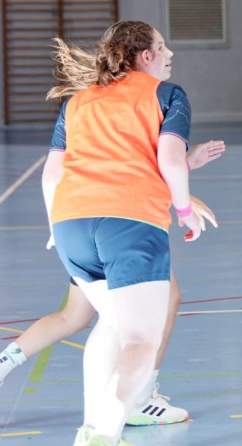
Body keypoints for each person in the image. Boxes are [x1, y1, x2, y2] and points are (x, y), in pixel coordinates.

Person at [19, 22, 214, 446]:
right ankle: (106, 429)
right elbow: (170, 161)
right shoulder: (167, 94)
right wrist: (185, 211)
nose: (169, 54)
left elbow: (51, 176)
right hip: (127, 223)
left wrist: (55, 227)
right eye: (162, 46)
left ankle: (91, 427)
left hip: (70, 226)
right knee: (141, 340)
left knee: (111, 323)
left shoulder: (78, 101)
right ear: (145, 56)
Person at [0, 139, 225, 428]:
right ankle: (139, 398)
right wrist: (182, 195)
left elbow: (69, 171)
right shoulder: (130, 111)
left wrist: (55, 228)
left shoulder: (77, 115)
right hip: (120, 219)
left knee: (74, 315)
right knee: (164, 301)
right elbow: (133, 167)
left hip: (79, 218)